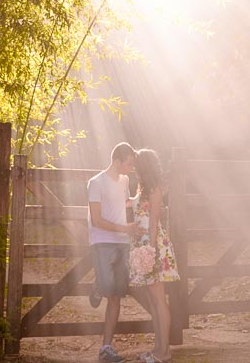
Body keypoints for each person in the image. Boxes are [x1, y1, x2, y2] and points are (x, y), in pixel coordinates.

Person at [87, 142, 144, 363]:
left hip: (122, 242)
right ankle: (98, 286)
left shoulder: (125, 180)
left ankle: (106, 347)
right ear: (117, 161)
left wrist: (142, 199)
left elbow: (125, 203)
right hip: (102, 241)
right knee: (108, 287)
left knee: (116, 295)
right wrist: (125, 228)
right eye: (129, 163)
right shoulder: (96, 183)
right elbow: (96, 219)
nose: (131, 168)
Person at [129, 149, 180, 363]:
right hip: (142, 245)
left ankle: (164, 352)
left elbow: (154, 221)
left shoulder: (155, 188)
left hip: (154, 245)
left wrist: (150, 251)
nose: (133, 167)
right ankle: (157, 348)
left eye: (136, 164)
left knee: (159, 300)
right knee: (152, 300)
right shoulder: (142, 188)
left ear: (143, 165)